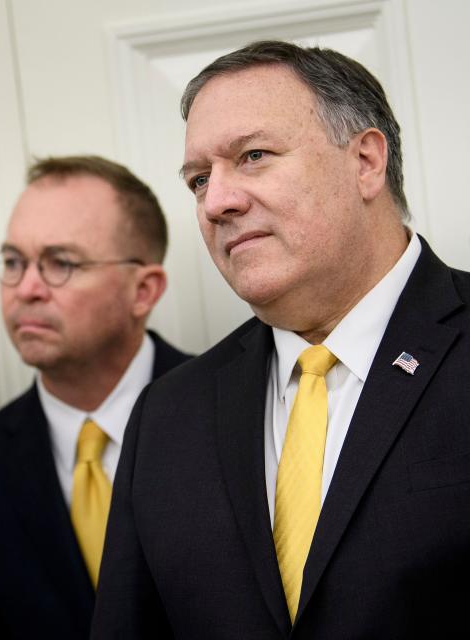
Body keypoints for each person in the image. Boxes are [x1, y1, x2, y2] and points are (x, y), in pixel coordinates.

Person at [92, 40, 470, 638]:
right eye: (198, 180)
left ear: (366, 161)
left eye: (254, 155)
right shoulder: (168, 415)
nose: (217, 201)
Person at [0, 155, 191, 639]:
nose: (26, 289)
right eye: (13, 262)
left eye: (61, 263)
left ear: (144, 291)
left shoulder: (236, 414)